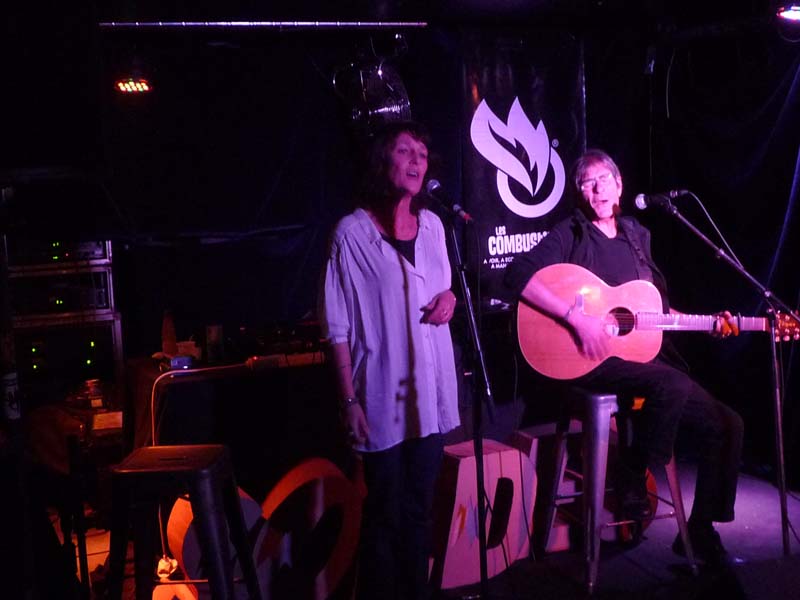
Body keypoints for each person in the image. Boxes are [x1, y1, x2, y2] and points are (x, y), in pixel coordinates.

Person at [505, 148, 744, 566]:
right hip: (589, 360)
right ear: (580, 193)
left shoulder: (637, 237)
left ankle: (701, 529)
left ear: (619, 187)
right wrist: (575, 319)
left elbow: (651, 312)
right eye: (586, 182)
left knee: (727, 422)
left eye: (603, 180)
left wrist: (707, 323)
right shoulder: (571, 233)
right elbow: (516, 275)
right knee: (669, 382)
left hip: (640, 361)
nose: (596, 189)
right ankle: (633, 475)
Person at [319, 121, 460, 599]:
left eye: (423, 153)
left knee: (419, 511)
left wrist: (452, 300)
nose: (417, 161)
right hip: (380, 396)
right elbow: (336, 327)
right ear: (384, 161)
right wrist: (348, 402)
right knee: (384, 516)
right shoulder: (351, 234)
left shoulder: (436, 227)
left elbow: (441, 288)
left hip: (430, 394)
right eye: (406, 151)